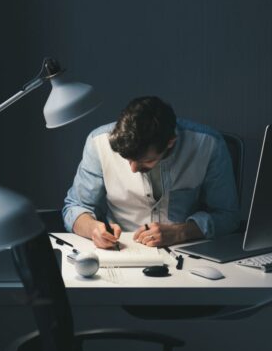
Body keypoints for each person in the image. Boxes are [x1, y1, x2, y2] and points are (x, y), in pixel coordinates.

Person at [62, 96, 240, 250]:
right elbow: (74, 207)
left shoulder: (209, 145)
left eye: (146, 161)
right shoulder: (98, 143)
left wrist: (181, 232)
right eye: (128, 159)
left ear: (170, 142)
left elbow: (228, 216)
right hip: (122, 251)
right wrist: (93, 228)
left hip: (187, 254)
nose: (132, 168)